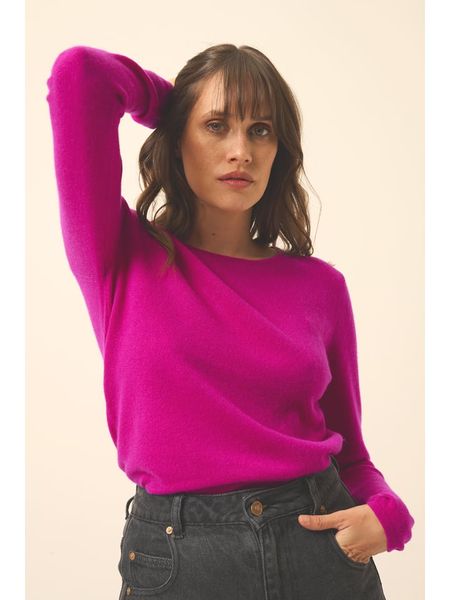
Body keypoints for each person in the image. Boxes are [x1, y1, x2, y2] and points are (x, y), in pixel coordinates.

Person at [46, 43, 414, 599]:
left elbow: (351, 456)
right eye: (216, 126)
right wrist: (171, 105)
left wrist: (388, 512)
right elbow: (80, 75)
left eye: (260, 130)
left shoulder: (321, 287)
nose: (240, 151)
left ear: (279, 151)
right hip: (178, 561)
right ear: (178, 137)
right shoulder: (120, 257)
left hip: (319, 554)